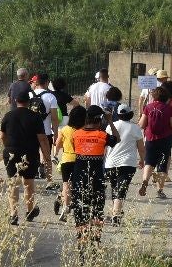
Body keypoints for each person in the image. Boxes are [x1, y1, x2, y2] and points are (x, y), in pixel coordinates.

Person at [70, 105, 118, 253]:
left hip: (78, 178)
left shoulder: (76, 134)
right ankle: (96, 242)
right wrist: (110, 122)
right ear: (99, 120)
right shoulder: (102, 135)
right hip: (96, 179)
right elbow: (117, 138)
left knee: (79, 210)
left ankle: (81, 241)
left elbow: (74, 148)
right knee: (97, 210)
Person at [0, 90, 49, 225]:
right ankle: (29, 211)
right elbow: (42, 139)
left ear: (16, 101)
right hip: (29, 153)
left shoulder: (8, 115)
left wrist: (8, 147)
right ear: (29, 102)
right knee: (28, 183)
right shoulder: (35, 117)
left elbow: (2, 136)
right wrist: (47, 156)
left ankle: (13, 214)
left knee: (13, 183)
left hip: (11, 152)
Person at [105, 104, 144, 224]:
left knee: (114, 187)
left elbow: (106, 145)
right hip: (128, 163)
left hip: (111, 162)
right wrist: (142, 160)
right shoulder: (135, 128)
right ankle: (116, 214)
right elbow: (141, 148)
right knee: (122, 188)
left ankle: (115, 211)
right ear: (130, 114)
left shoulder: (110, 126)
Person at [137, 85, 172, 199]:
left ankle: (145, 181)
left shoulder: (148, 107)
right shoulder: (168, 109)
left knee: (149, 162)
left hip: (150, 139)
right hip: (165, 140)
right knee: (162, 165)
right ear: (166, 97)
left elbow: (141, 124)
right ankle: (159, 190)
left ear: (154, 96)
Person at [53, 106, 84, 223]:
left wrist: (55, 155)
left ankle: (64, 204)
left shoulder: (65, 129)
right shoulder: (83, 131)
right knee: (77, 186)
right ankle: (66, 203)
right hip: (80, 160)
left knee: (66, 185)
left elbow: (57, 144)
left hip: (66, 160)